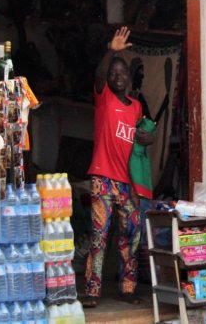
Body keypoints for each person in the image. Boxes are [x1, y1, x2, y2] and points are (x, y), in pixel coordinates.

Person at [82, 26, 155, 308]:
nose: (118, 77)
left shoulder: (136, 107)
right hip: (102, 178)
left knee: (131, 238)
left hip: (128, 184)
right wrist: (112, 51)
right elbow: (100, 75)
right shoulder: (103, 98)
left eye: (122, 73)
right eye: (114, 74)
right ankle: (92, 291)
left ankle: (127, 289)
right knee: (99, 238)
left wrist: (148, 139)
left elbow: (141, 139)